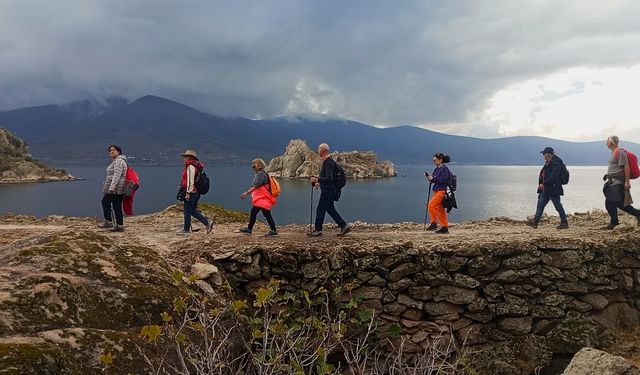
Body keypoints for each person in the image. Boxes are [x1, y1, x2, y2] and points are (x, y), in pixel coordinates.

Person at [308, 143, 350, 237]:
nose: (318, 151)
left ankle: (318, 230)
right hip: (330, 189)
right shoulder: (329, 161)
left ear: (322, 151)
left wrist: (317, 179)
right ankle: (344, 226)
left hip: (328, 191)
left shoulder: (328, 162)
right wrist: (320, 182)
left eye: (319, 149)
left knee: (320, 209)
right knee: (330, 209)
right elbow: (328, 178)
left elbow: (329, 178)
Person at [525, 147, 569, 229]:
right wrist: (543, 185)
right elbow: (545, 175)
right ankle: (535, 222)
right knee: (540, 205)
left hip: (553, 189)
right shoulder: (549, 162)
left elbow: (553, 176)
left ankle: (564, 222)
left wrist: (543, 183)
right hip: (546, 189)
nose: (543, 156)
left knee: (558, 206)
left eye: (544, 154)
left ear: (548, 154)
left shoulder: (556, 163)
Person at [602, 136, 640, 230]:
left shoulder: (620, 152)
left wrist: (627, 182)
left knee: (610, 203)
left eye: (608, 140)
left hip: (618, 182)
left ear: (612, 142)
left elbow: (626, 167)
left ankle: (613, 222)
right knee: (620, 203)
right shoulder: (613, 153)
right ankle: (637, 214)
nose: (606, 142)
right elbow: (616, 168)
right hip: (612, 181)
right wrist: (608, 175)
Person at [238, 158, 278, 236]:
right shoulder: (263, 173)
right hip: (263, 197)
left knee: (261, 213)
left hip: (262, 197)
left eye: (253, 166)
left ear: (257, 166)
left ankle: (272, 230)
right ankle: (250, 229)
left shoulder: (260, 174)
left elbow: (256, 186)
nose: (252, 168)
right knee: (261, 213)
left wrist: (246, 193)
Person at [177, 150, 213, 235]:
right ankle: (207, 223)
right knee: (192, 210)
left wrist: (188, 192)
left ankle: (186, 230)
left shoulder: (190, 166)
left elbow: (190, 180)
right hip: (197, 192)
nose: (184, 159)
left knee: (187, 211)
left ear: (189, 157)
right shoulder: (197, 166)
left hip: (192, 192)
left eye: (185, 157)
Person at [98, 145, 128, 232]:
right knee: (116, 206)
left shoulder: (118, 161)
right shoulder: (118, 161)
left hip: (116, 188)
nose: (111, 152)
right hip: (119, 188)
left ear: (118, 152)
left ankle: (109, 221)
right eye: (110, 150)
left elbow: (117, 176)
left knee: (105, 201)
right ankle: (120, 226)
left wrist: (111, 187)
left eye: (113, 150)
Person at [425, 153, 452, 234]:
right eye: (433, 160)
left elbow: (443, 180)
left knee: (431, 205)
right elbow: (436, 180)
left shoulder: (444, 169)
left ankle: (434, 223)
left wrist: (433, 178)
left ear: (440, 160)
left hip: (442, 191)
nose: (433, 162)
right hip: (437, 190)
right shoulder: (437, 169)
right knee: (440, 209)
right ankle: (444, 227)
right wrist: (430, 178)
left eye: (435, 160)